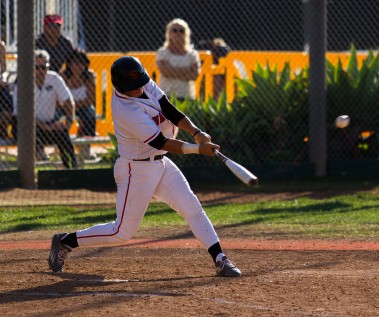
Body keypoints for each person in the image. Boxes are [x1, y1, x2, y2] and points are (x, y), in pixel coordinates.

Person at [48, 56, 241, 277]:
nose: (139, 89)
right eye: (133, 87)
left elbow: (168, 109)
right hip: (135, 171)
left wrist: (197, 133)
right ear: (121, 87)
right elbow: (160, 142)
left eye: (140, 83)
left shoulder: (142, 81)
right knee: (122, 232)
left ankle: (220, 258)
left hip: (161, 164)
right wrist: (199, 149)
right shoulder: (126, 110)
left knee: (192, 208)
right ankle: (65, 241)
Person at [12, 50, 78, 169]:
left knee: (63, 134)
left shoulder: (54, 78)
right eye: (36, 67)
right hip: (26, 124)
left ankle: (72, 171)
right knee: (22, 128)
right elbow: (22, 114)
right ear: (31, 68)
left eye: (43, 67)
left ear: (48, 66)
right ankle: (27, 172)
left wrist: (67, 123)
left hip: (48, 124)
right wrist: (46, 127)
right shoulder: (22, 81)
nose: (40, 71)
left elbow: (68, 101)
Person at [61, 49, 97, 159]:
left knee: (90, 115)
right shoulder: (63, 76)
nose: (78, 66)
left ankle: (85, 149)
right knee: (55, 116)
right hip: (64, 107)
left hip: (83, 107)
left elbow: (90, 100)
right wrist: (70, 105)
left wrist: (74, 104)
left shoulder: (89, 76)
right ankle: (63, 148)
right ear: (70, 64)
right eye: (75, 63)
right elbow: (60, 99)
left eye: (81, 63)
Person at [155, 19, 200, 101]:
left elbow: (195, 75)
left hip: (186, 96)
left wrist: (172, 71)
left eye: (181, 30)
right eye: (174, 30)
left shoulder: (193, 54)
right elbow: (165, 72)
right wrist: (188, 69)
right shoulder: (163, 52)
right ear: (169, 34)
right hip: (166, 95)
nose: (178, 33)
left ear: (186, 33)